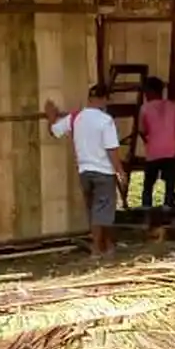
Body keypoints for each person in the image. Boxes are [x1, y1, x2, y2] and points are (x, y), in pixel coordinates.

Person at [44, 83, 127, 256]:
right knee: (103, 210)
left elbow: (54, 131)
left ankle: (106, 245)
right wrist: (120, 171)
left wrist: (51, 116)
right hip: (104, 171)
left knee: (94, 209)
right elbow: (111, 149)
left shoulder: (75, 117)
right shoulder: (106, 121)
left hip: (84, 171)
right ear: (104, 100)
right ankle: (99, 248)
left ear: (89, 98)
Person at [137, 76, 175, 210]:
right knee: (170, 184)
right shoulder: (174, 107)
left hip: (153, 152)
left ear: (150, 91)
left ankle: (146, 209)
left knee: (148, 185)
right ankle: (168, 207)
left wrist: (147, 141)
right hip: (171, 151)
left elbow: (141, 130)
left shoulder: (145, 108)